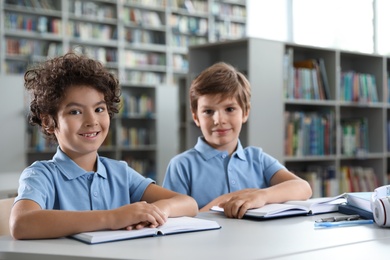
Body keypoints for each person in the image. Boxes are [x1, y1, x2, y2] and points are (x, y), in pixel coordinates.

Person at [10, 52, 198, 240]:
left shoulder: (120, 173)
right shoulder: (41, 175)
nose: (92, 121)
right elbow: (21, 223)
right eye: (75, 111)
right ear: (49, 122)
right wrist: (111, 217)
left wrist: (156, 210)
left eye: (99, 109)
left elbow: (188, 203)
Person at [163, 62, 312, 219]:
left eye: (229, 109)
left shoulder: (258, 159)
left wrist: (261, 196)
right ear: (196, 117)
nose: (219, 120)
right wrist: (222, 202)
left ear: (245, 113)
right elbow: (173, 222)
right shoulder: (181, 166)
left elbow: (303, 188)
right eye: (208, 111)